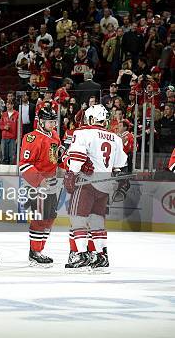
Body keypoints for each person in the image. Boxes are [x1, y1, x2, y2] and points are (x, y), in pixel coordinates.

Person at [64, 104, 128, 271]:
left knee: (77, 219)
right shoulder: (116, 138)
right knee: (97, 221)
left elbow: (77, 157)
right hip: (106, 184)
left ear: (91, 118)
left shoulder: (83, 133)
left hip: (87, 182)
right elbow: (120, 165)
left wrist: (71, 174)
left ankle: (81, 254)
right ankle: (101, 255)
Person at [19, 107, 62, 267]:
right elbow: (24, 164)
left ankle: (39, 250)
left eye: (54, 121)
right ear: (41, 122)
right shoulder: (31, 138)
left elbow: (57, 157)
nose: (53, 124)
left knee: (50, 217)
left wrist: (68, 164)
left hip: (51, 183)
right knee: (40, 217)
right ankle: (35, 252)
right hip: (36, 185)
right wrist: (39, 180)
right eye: (50, 122)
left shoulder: (54, 136)